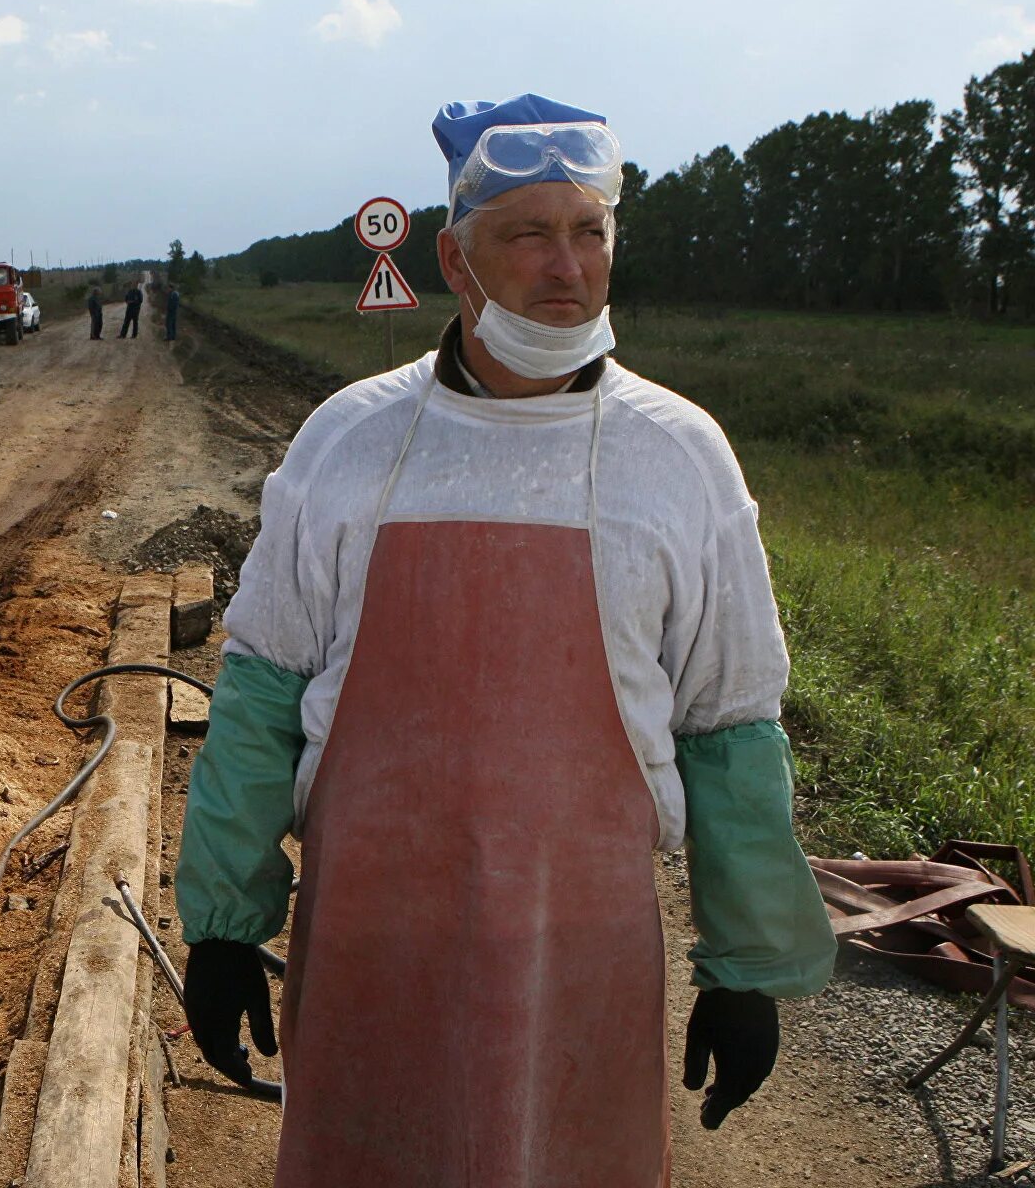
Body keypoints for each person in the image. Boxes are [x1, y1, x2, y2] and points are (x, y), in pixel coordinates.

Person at [174, 93, 835, 1187]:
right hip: (374, 941)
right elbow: (259, 694)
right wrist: (224, 923)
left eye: (589, 231)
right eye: (528, 233)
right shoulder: (352, 440)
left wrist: (746, 966)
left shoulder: (679, 456)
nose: (565, 266)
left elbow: (728, 721)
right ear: (454, 256)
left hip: (581, 942)